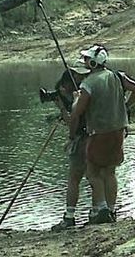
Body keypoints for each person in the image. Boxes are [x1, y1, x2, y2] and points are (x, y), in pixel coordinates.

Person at [69, 44, 135, 224]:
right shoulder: (118, 76)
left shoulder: (89, 83)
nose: (85, 62)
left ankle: (102, 209)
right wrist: (125, 106)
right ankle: (111, 210)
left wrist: (75, 100)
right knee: (110, 172)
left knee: (93, 172)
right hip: (119, 132)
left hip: (98, 133)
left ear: (94, 63)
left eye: (87, 59)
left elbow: (77, 112)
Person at [52, 53, 92, 228]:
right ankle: (101, 210)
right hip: (97, 135)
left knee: (75, 177)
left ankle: (69, 216)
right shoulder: (91, 87)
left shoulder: (80, 95)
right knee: (97, 176)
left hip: (83, 138)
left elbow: (73, 121)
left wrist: (62, 109)